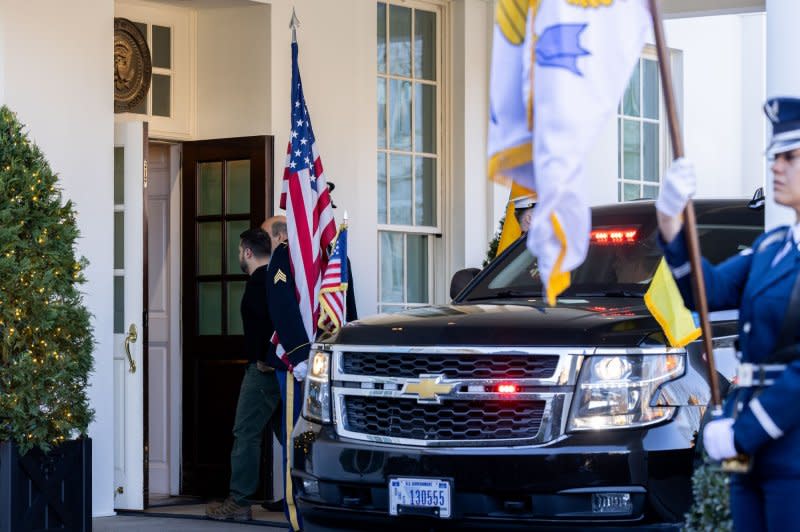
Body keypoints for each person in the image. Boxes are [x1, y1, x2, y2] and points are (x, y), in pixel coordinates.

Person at [656, 97, 800, 530]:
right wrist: (670, 223)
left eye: (790, 156)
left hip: (789, 444)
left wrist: (743, 430)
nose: (775, 166)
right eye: (774, 156)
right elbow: (707, 292)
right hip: (752, 449)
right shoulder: (773, 247)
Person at [206, 228, 281, 522]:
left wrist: (266, 359)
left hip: (262, 372)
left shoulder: (257, 284)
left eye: (240, 251)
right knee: (287, 435)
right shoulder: (277, 281)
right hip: (279, 371)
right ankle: (298, 495)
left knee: (246, 434)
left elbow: (269, 324)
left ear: (247, 252)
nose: (239, 255)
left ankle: (239, 500)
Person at [267, 237, 311, 531]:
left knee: (320, 438)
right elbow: (282, 301)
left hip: (327, 360)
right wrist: (300, 353)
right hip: (298, 364)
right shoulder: (286, 255)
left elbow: (346, 300)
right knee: (298, 436)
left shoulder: (334, 248)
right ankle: (297, 510)